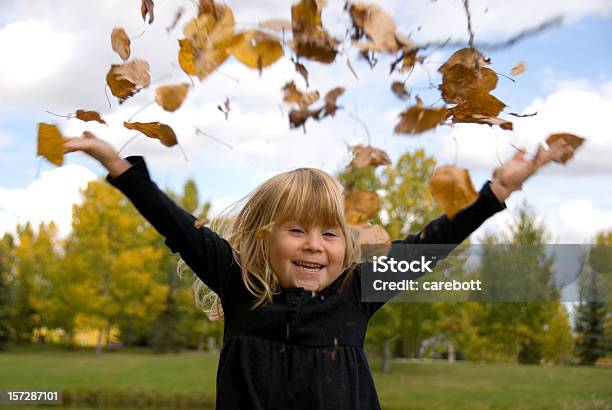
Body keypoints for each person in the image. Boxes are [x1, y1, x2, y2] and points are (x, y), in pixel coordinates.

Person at [63, 133, 573, 409]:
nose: (314, 246)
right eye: (297, 231)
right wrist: (113, 160)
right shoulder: (240, 284)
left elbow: (435, 241)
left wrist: (497, 191)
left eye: (329, 234)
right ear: (264, 234)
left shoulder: (359, 291)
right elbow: (173, 223)